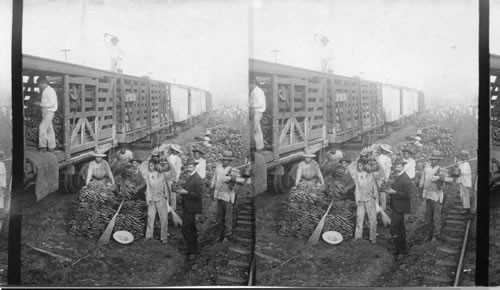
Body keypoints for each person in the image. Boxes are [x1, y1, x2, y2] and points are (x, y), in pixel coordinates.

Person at [386, 158, 417, 259]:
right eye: (396, 166)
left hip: (400, 207)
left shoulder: (406, 178)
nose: (396, 168)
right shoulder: (399, 176)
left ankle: (401, 250)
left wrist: (394, 192)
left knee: (394, 229)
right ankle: (400, 249)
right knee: (400, 229)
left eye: (399, 166)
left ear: (403, 167)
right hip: (396, 206)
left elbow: (408, 195)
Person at [347, 159, 379, 244]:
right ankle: (358, 236)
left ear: (365, 166)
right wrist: (356, 198)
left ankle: (373, 237)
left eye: (360, 165)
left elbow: (375, 186)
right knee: (359, 217)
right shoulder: (357, 175)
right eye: (358, 166)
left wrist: (375, 196)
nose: (359, 167)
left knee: (372, 218)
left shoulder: (371, 174)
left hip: (370, 198)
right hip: (361, 199)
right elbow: (357, 187)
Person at [177, 158, 203, 257]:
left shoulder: (197, 178)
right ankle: (193, 248)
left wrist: (186, 192)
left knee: (185, 229)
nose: (188, 168)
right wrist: (181, 190)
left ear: (195, 167)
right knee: (192, 228)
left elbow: (199, 195)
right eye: (188, 166)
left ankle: (192, 249)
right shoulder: (190, 176)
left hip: (192, 208)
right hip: (188, 206)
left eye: (191, 166)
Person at [210, 151, 238, 243]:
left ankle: (227, 235)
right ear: (222, 159)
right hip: (219, 195)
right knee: (220, 217)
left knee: (228, 217)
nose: (225, 161)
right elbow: (215, 178)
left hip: (228, 196)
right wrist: (211, 187)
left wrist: (232, 180)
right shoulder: (218, 167)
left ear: (230, 161)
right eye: (224, 159)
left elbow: (234, 186)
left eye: (227, 160)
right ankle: (220, 235)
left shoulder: (233, 170)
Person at [419, 150, 445, 244]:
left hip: (436, 196)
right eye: (433, 159)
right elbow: (423, 177)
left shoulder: (441, 169)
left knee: (436, 217)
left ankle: (435, 235)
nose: (434, 161)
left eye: (436, 160)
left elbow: (444, 184)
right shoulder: (427, 167)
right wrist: (420, 187)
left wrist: (439, 179)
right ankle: (429, 234)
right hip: (428, 195)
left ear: (438, 160)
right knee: (428, 216)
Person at [142, 159, 170, 244]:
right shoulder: (148, 175)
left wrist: (166, 195)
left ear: (155, 166)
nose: (150, 167)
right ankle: (149, 235)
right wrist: (147, 196)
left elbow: (166, 185)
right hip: (152, 198)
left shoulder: (161, 174)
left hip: (161, 198)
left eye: (152, 165)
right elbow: (148, 187)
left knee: (163, 218)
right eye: (149, 166)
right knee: (150, 217)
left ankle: (164, 237)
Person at [33, 77, 58, 152]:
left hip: (49, 112)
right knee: (50, 130)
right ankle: (51, 147)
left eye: (39, 85)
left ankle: (43, 147)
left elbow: (52, 103)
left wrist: (40, 104)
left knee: (42, 128)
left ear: (42, 83)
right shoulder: (46, 90)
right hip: (46, 112)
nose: (39, 86)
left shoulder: (50, 91)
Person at [249, 76, 266, 152]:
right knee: (257, 131)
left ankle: (251, 148)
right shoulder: (253, 91)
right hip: (254, 111)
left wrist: (251, 106)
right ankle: (259, 147)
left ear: (252, 84)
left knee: (252, 129)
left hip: (258, 112)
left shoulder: (258, 91)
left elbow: (260, 104)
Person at [376, 144, 393, 210]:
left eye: (386, 151)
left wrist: (386, 178)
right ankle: (376, 205)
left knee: (382, 192)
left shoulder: (388, 159)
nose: (384, 152)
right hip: (376, 176)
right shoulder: (377, 157)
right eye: (384, 150)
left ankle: (383, 206)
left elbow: (388, 169)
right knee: (376, 191)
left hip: (382, 178)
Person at [456, 150, 473, 214]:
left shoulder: (466, 164)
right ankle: (464, 206)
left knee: (465, 195)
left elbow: (463, 172)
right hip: (462, 181)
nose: (460, 158)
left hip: (465, 182)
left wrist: (458, 170)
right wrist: (457, 159)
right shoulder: (462, 163)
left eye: (461, 156)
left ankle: (467, 208)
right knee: (462, 195)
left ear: (463, 157)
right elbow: (457, 163)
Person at [168, 144, 184, 210]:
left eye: (176, 151)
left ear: (177, 152)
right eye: (174, 150)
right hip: (167, 176)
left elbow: (178, 170)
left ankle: (173, 208)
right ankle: (167, 207)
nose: (175, 152)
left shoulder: (178, 159)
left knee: (172, 192)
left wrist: (176, 179)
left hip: (173, 178)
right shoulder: (168, 157)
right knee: (166, 192)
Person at [0, 150, 6, 232]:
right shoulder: (1, 165)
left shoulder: (1, 164)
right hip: (0, 185)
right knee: (1, 198)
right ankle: (1, 213)